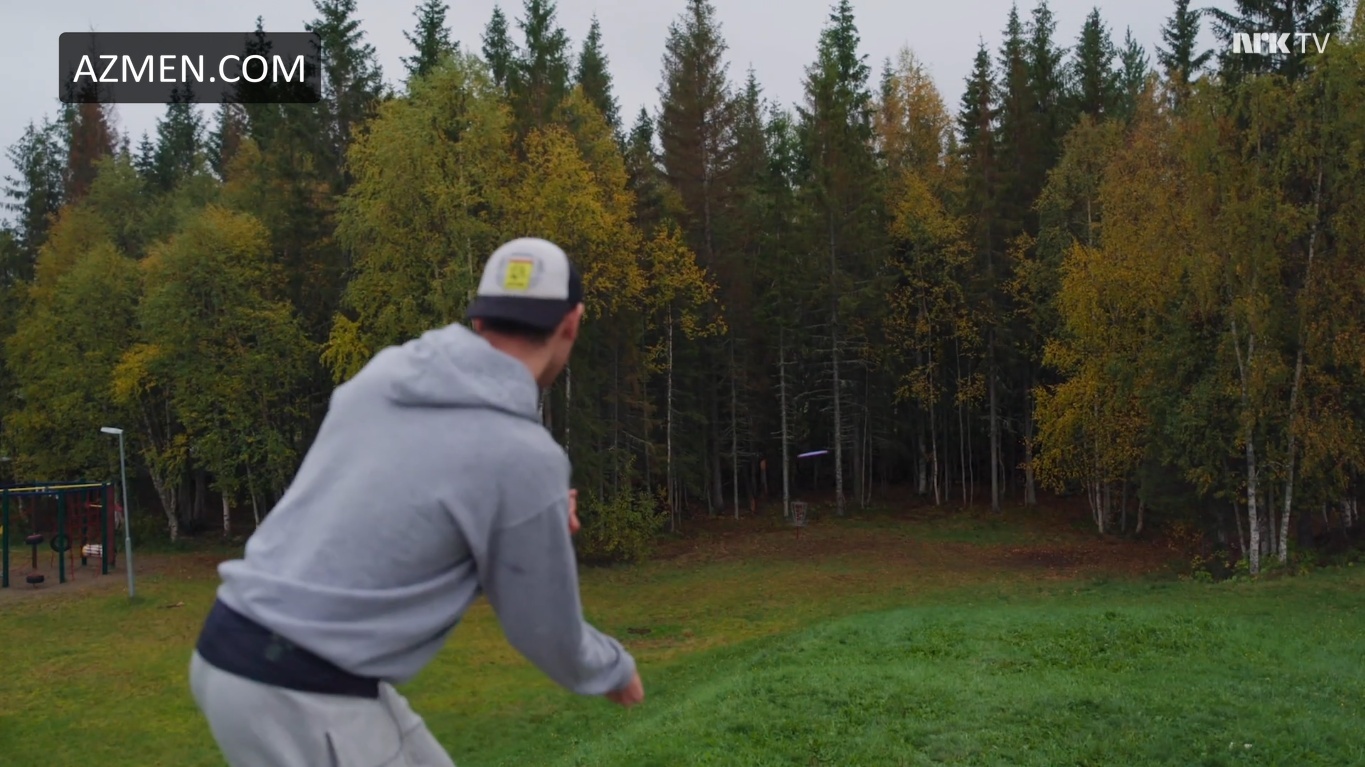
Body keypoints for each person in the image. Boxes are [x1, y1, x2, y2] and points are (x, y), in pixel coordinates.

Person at [188, 237, 643, 766]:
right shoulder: (526, 457)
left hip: (239, 646)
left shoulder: (385, 376)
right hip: (301, 689)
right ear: (572, 322)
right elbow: (543, 629)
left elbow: (395, 504)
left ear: (480, 319)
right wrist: (612, 668)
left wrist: (526, 519)